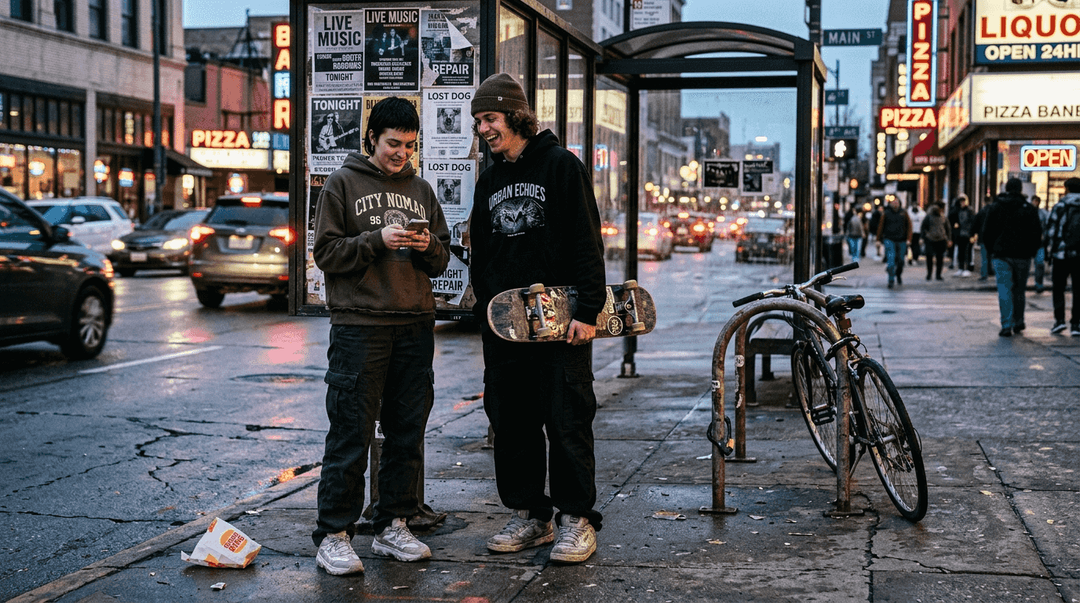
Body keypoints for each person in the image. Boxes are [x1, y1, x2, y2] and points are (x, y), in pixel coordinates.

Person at [469, 73, 606, 564]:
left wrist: (588, 311)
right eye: (478, 121)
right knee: (512, 426)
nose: (483, 128)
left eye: (490, 118)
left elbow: (587, 242)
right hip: (505, 330)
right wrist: (487, 312)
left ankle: (576, 520)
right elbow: (481, 253)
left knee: (567, 423)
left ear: (516, 115)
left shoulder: (562, 166)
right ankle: (531, 515)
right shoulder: (489, 181)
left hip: (561, 327)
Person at [311, 97, 451, 575]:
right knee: (350, 433)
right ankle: (334, 534)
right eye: (394, 143)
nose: (401, 153)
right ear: (371, 138)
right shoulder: (342, 183)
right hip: (360, 327)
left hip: (414, 325)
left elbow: (441, 259)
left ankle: (393, 525)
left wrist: (427, 244)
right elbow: (326, 254)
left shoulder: (422, 189)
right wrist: (377, 240)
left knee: (406, 434)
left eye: (410, 145)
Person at [981, 178, 1043, 337]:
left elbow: (986, 232)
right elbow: (1036, 233)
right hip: (1023, 255)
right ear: (1021, 189)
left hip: (1001, 254)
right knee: (1019, 290)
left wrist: (992, 250)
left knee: (1004, 289)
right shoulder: (1029, 208)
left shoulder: (995, 207)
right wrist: (1031, 251)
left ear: (1006, 189)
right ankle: (1019, 321)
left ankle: (1006, 324)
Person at [1044, 177, 1080, 335]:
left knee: (1058, 288)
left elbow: (1051, 231)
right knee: (1078, 290)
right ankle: (1076, 324)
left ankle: (1059, 321)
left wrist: (1049, 250)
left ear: (1067, 189)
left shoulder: (1060, 206)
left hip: (1061, 254)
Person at [876, 197, 912, 288]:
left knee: (901, 261)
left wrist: (909, 239)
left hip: (902, 240)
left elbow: (909, 226)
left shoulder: (904, 213)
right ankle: (891, 279)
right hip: (889, 239)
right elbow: (880, 226)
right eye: (893, 202)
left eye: (897, 202)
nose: (895, 204)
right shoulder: (886, 213)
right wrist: (878, 239)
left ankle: (898, 274)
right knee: (891, 261)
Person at [921, 201, 951, 281]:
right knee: (936, 258)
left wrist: (949, 239)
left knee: (935, 258)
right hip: (934, 239)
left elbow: (947, 228)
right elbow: (924, 227)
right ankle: (935, 275)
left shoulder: (941, 217)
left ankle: (932, 274)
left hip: (938, 239)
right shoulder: (933, 216)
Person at [949, 194, 976, 276]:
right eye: (961, 201)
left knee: (967, 251)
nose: (962, 203)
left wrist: (972, 234)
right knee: (961, 251)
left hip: (968, 233)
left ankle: (967, 268)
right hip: (960, 233)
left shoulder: (969, 210)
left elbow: (973, 222)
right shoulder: (958, 210)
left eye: (963, 201)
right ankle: (961, 268)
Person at [973, 196, 995, 281]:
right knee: (992, 256)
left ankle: (984, 274)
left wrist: (974, 234)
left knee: (984, 257)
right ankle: (991, 271)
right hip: (993, 238)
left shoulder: (982, 211)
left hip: (983, 237)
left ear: (984, 202)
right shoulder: (994, 211)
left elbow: (976, 223)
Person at [1032, 196, 1049, 293]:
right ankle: (1038, 283)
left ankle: (1038, 284)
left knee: (1039, 263)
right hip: (1032, 242)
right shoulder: (1030, 212)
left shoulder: (1043, 213)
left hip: (1039, 242)